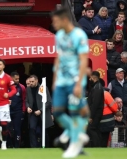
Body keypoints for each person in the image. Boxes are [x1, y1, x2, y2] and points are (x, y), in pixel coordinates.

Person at [51, 8, 90, 158]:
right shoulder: (59, 35)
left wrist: (79, 83)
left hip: (75, 80)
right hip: (61, 80)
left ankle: (73, 145)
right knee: (58, 112)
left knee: (75, 113)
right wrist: (55, 79)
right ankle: (78, 134)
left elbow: (83, 60)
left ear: (65, 20)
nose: (54, 24)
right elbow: (59, 57)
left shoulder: (79, 35)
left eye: (56, 21)